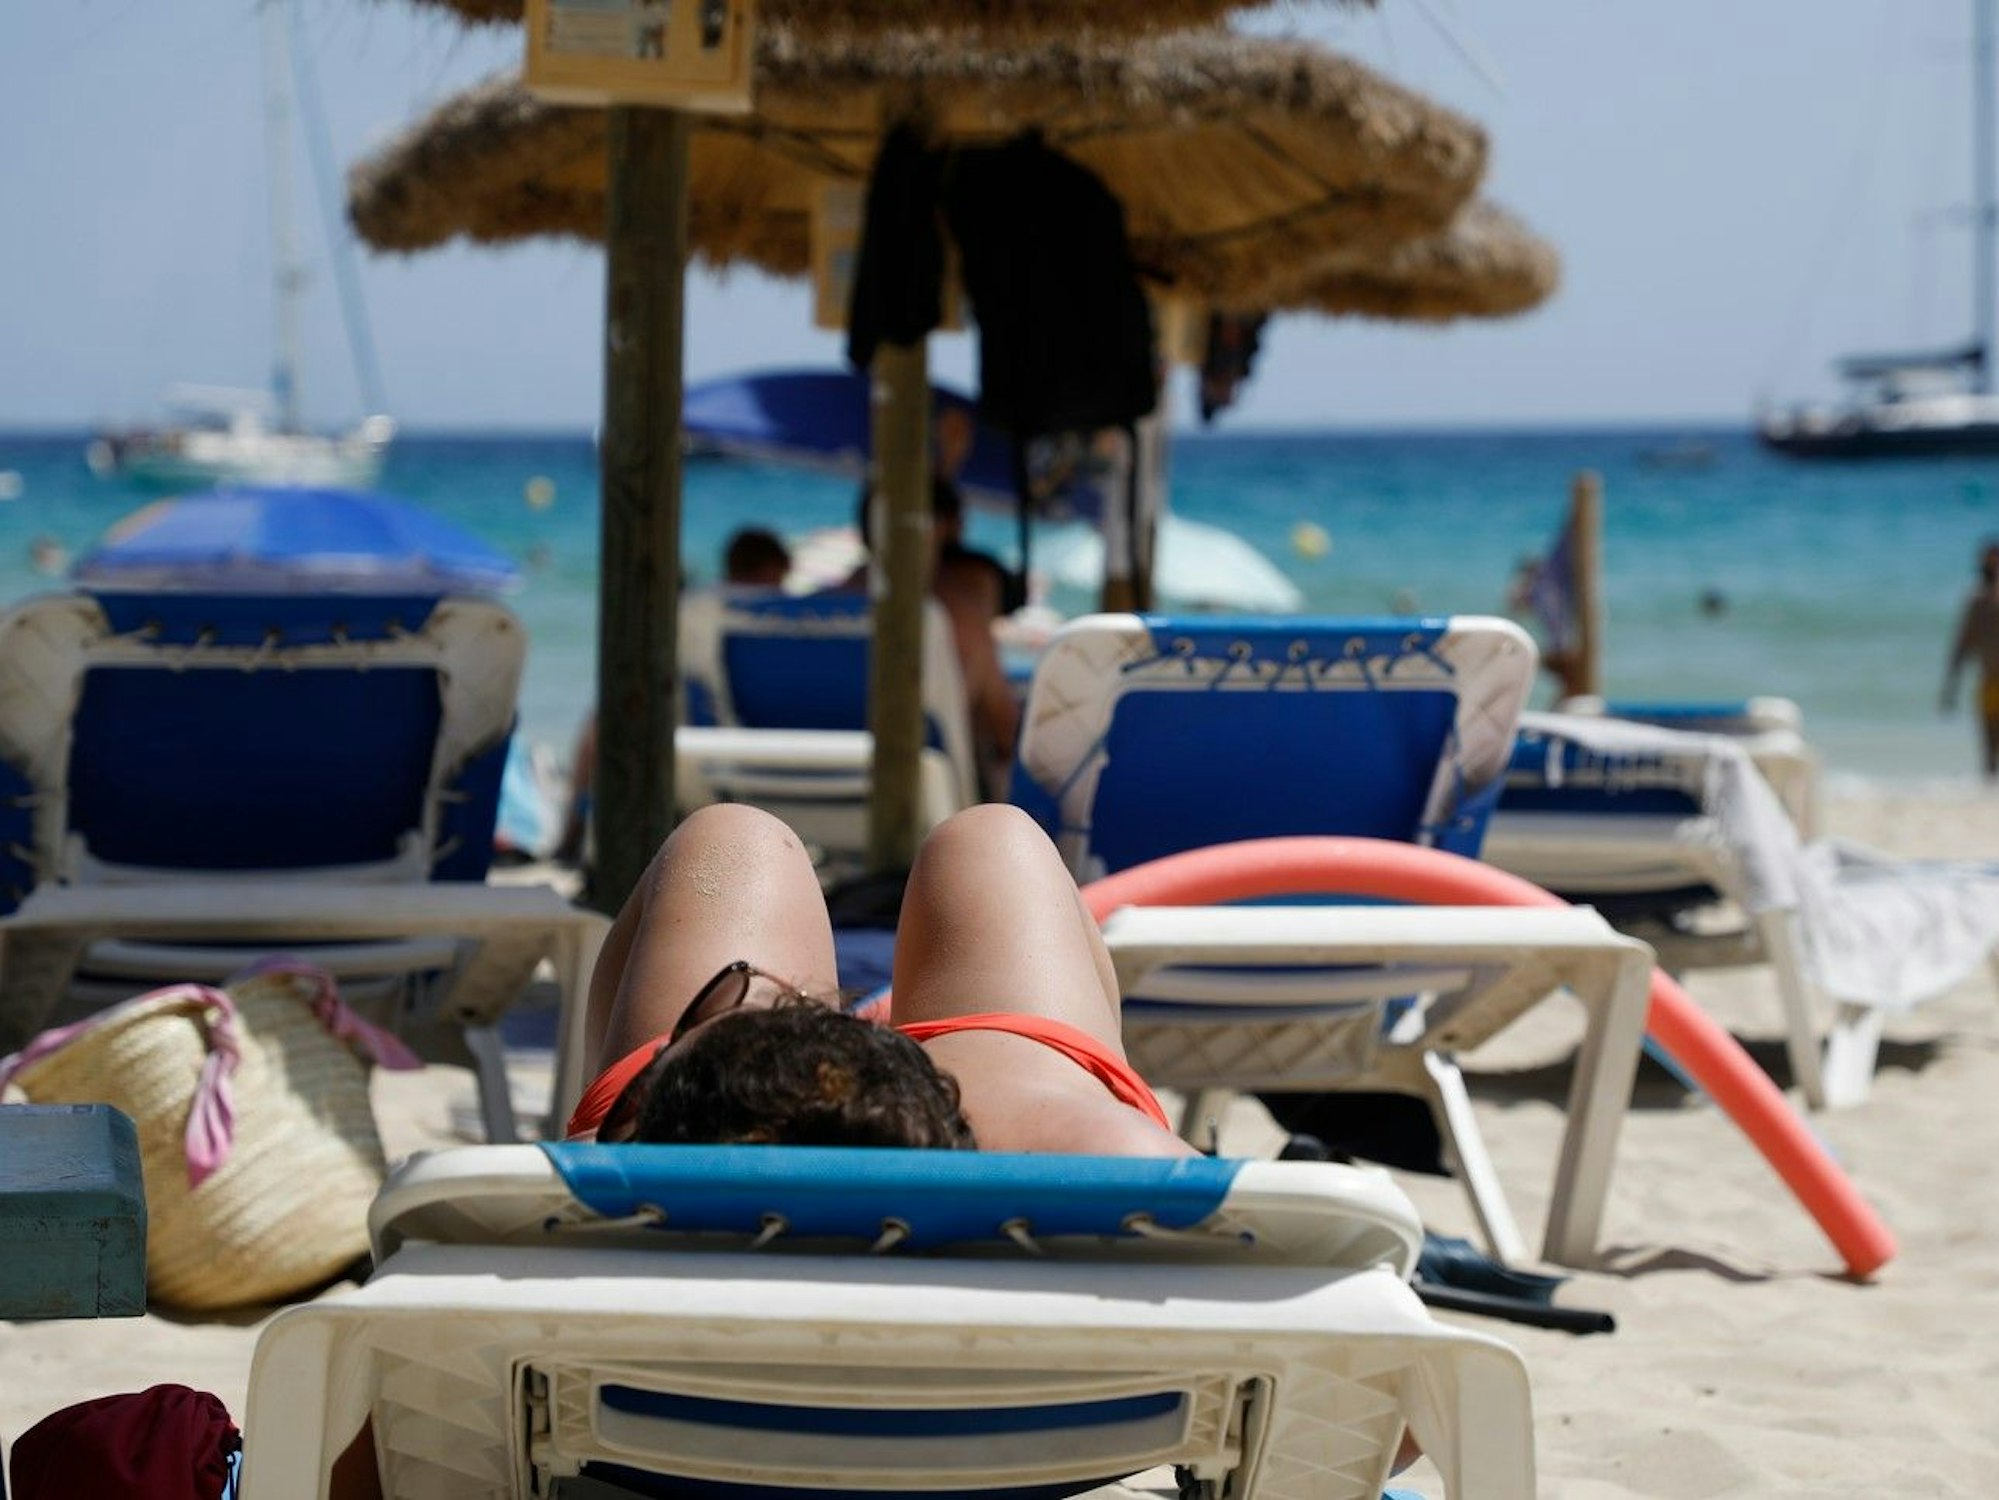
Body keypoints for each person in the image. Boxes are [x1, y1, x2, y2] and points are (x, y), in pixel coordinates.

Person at [567, 802, 1187, 1159]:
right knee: (990, 839)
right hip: (1008, 1131)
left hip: (696, 1137)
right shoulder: (1119, 1157)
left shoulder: (592, 1179)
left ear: (631, 1125)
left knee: (736, 838)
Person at [553, 528, 795, 867]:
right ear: (780, 568)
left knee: (604, 720)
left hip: (718, 766)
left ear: (731, 564)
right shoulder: (802, 616)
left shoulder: (694, 610)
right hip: (831, 767)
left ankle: (575, 834)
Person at [1942, 539, 1999, 777]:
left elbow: (1961, 647)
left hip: (1989, 681)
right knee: (1989, 750)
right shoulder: (1976, 602)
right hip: (1988, 682)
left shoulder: (1978, 601)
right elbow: (1961, 646)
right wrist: (1950, 687)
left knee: (1990, 749)